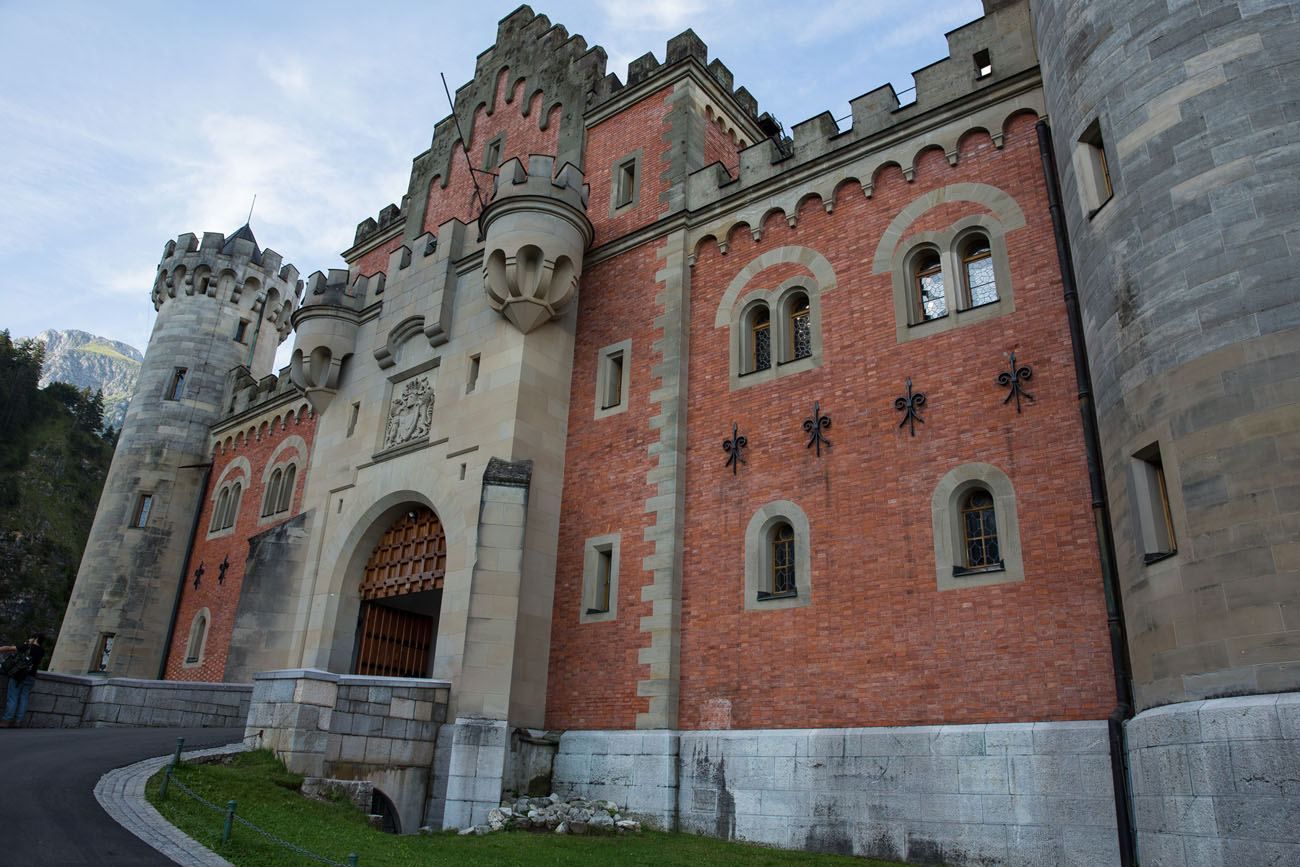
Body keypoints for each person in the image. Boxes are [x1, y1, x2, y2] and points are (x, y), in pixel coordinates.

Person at [0, 634, 45, 728]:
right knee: (24, 698)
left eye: (31, 637)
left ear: (35, 638)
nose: (29, 639)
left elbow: (9, 648)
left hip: (19, 675)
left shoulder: (28, 647)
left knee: (13, 698)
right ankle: (18, 722)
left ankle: (6, 721)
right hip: (31, 677)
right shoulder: (41, 651)